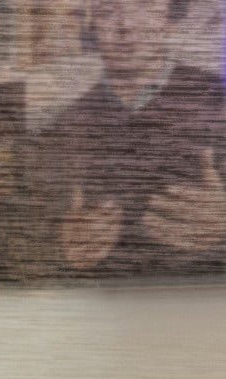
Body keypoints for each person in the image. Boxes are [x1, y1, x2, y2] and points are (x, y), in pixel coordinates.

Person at [34, 0, 226, 277]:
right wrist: (63, 247)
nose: (126, 25)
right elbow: (31, 237)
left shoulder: (218, 102)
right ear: (91, 27)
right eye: (107, 10)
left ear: (170, 18)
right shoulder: (62, 127)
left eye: (144, 4)